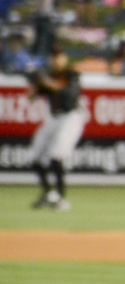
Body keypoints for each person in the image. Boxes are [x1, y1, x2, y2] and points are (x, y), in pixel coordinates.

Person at [25, 45, 86, 212]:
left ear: (65, 58)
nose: (57, 59)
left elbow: (70, 94)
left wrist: (47, 82)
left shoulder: (71, 74)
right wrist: (36, 83)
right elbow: (30, 98)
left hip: (70, 117)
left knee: (56, 155)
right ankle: (48, 193)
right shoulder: (48, 75)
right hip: (53, 118)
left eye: (59, 56)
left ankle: (61, 199)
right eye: (54, 56)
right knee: (34, 156)